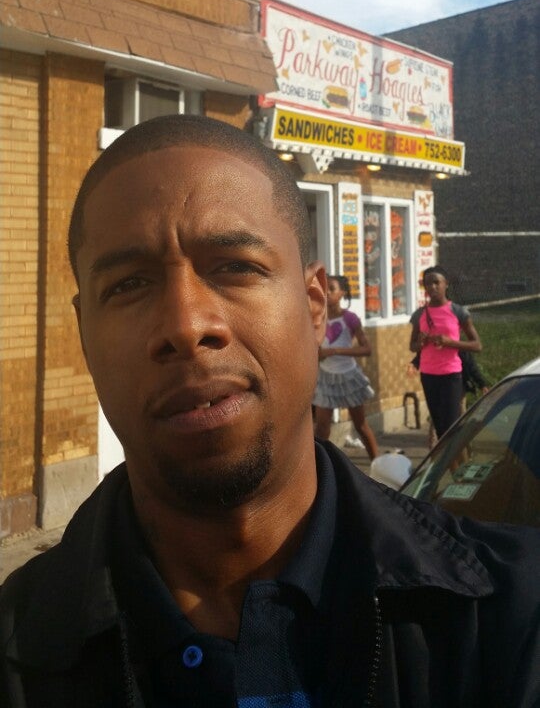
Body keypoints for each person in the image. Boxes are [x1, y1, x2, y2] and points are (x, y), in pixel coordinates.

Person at [1, 116, 539, 708]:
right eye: (129, 285)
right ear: (84, 333)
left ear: (314, 305)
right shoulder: (16, 649)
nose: (186, 325)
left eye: (235, 266)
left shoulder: (510, 615)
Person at [410, 265, 482, 441]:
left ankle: (455, 456)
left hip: (451, 375)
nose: (432, 287)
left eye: (436, 282)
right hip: (428, 375)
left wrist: (450, 342)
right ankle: (448, 458)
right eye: (428, 284)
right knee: (440, 427)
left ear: (446, 284)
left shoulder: (458, 312)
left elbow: (477, 345)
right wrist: (420, 343)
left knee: (451, 426)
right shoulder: (419, 314)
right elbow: (412, 346)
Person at [313, 274, 379, 460]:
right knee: (322, 428)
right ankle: (319, 465)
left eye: (332, 289)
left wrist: (335, 351)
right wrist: (318, 354)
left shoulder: (350, 318)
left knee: (360, 425)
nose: (327, 292)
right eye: (324, 288)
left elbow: (366, 349)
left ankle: (377, 463)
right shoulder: (317, 318)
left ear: (342, 293)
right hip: (326, 377)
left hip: (348, 376)